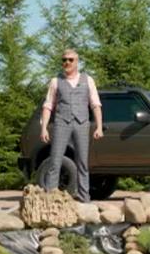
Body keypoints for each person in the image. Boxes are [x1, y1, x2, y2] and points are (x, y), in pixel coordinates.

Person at [40, 49, 103, 202]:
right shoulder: (55, 81)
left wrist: (99, 126)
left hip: (82, 123)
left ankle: (84, 197)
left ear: (76, 61)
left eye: (70, 60)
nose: (67, 62)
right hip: (61, 122)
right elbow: (48, 105)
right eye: (64, 60)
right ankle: (51, 198)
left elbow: (95, 104)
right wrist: (44, 128)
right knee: (55, 160)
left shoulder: (88, 80)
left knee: (82, 162)